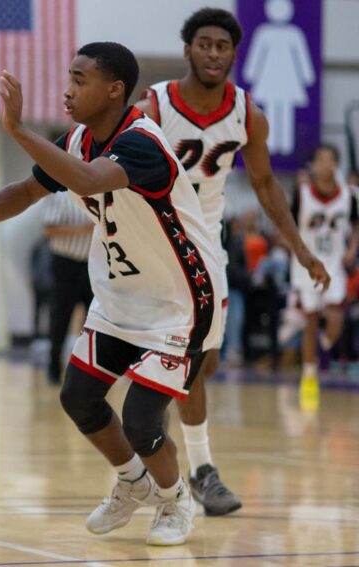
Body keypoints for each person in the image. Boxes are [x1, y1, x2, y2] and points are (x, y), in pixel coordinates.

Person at [0, 42, 224, 546]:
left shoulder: (142, 143)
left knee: (141, 419)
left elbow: (91, 180)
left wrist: (19, 130)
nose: (67, 89)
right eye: (68, 77)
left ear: (114, 90)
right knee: (78, 396)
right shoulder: (77, 141)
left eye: (79, 79)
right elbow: (28, 191)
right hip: (120, 298)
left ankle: (176, 502)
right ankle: (134, 483)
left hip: (179, 303)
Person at [136, 7, 330, 516]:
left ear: (233, 54)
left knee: (206, 360)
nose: (213, 53)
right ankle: (198, 469)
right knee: (184, 360)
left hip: (206, 245)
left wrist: (300, 249)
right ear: (188, 50)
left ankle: (162, 443)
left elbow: (266, 186)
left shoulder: (248, 112)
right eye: (205, 44)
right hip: (154, 243)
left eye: (222, 46)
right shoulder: (154, 104)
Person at [291, 144, 359, 411]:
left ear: (336, 165)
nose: (324, 164)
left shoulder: (349, 196)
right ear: (314, 164)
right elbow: (288, 222)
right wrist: (295, 249)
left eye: (330, 160)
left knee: (336, 318)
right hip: (307, 264)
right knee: (310, 320)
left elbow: (355, 225)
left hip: (334, 264)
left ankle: (324, 344)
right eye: (320, 159)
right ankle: (309, 377)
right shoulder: (302, 193)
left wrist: (352, 249)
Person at [42, 191, 94, 384]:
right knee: (60, 318)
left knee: (95, 320)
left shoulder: (100, 193)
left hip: (93, 265)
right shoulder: (60, 195)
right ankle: (54, 367)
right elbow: (49, 229)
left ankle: (91, 370)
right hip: (66, 263)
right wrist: (83, 229)